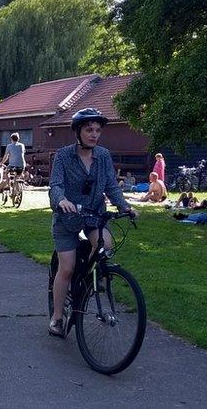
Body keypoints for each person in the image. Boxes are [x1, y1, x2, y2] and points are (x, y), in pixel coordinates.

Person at [48, 108, 135, 338]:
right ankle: (57, 317)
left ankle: (91, 280)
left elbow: (111, 186)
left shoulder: (103, 155)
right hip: (67, 218)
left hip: (94, 215)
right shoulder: (64, 156)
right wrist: (62, 200)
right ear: (78, 131)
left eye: (97, 130)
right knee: (66, 269)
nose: (94, 134)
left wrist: (124, 206)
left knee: (106, 245)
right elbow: (55, 185)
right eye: (89, 130)